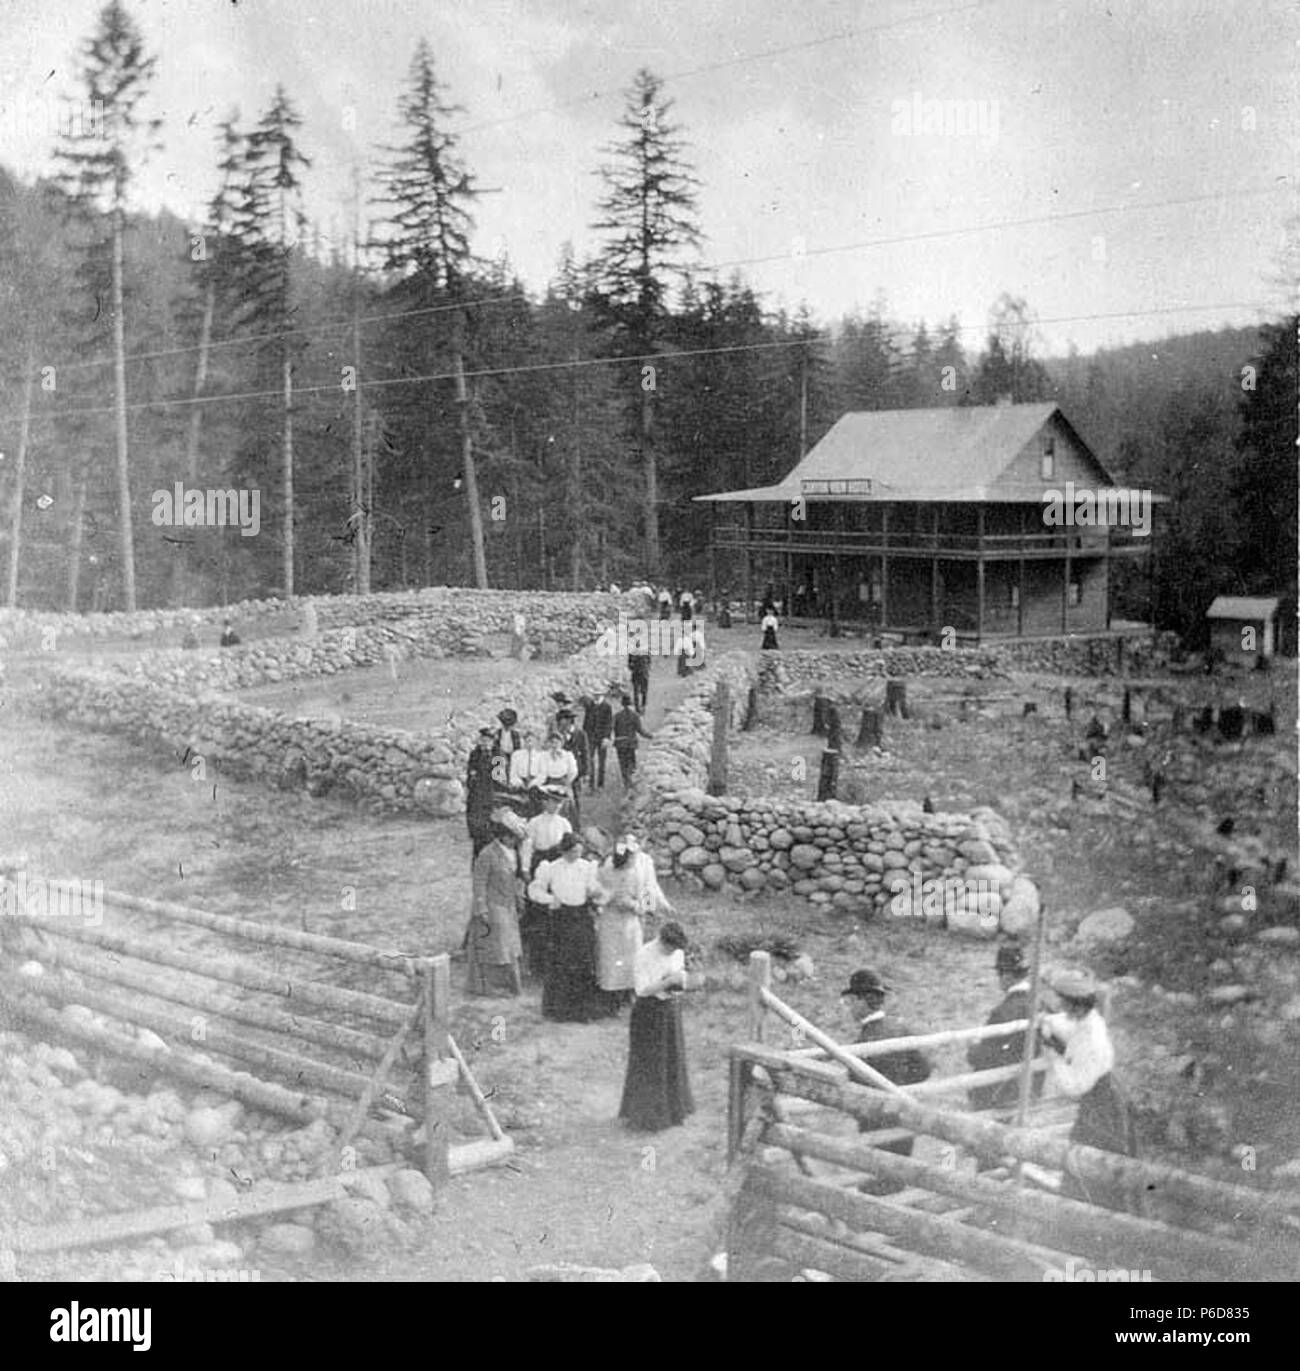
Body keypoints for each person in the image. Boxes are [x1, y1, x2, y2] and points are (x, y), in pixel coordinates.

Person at [1039, 968, 1141, 1211]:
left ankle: (1092, 1218)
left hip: (1101, 1106)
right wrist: (1047, 1023)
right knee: (1087, 1163)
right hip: (1100, 1100)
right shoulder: (1088, 1021)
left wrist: (1053, 1058)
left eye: (1066, 1004)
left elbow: (1075, 1086)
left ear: (1076, 1006)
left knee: (1094, 1163)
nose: (1062, 1009)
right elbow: (1067, 1026)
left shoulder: (1092, 1039)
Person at [841, 968, 932, 1196]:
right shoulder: (901, 1029)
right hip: (903, 1119)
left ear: (864, 1001)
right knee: (896, 1180)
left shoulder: (863, 1043)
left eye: (852, 1001)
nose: (850, 1007)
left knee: (877, 1182)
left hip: (876, 1125)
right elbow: (923, 1070)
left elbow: (855, 1088)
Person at [619, 920, 695, 1132]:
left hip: (670, 1010)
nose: (672, 952)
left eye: (675, 950)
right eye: (669, 948)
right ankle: (647, 1116)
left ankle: (672, 1111)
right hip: (648, 1012)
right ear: (661, 941)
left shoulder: (677, 953)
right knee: (650, 1062)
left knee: (672, 1058)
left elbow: (680, 978)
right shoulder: (644, 955)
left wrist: (680, 982)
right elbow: (642, 989)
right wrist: (668, 982)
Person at [528, 832, 607, 1022]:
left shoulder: (587, 867)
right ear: (563, 851)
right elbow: (534, 889)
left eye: (579, 852)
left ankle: (582, 1009)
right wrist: (549, 899)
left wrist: (596, 894)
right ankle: (559, 1009)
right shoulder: (551, 868)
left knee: (582, 962)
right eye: (572, 852)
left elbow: (595, 888)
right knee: (561, 962)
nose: (576, 855)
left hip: (581, 917)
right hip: (561, 918)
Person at [595, 835, 674, 1015]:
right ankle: (610, 997)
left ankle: (631, 993)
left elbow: (649, 886)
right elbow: (607, 891)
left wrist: (652, 907)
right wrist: (619, 902)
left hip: (633, 919)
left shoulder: (645, 861)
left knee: (633, 955)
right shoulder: (609, 866)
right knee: (612, 957)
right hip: (612, 918)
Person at [966, 943, 1045, 1117]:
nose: (999, 979)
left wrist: (972, 1049)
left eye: (999, 974)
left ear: (1007, 976)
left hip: (1001, 1095)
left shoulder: (1003, 1012)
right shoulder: (1041, 1004)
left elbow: (982, 1057)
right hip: (1031, 1089)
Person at [464, 813, 525, 996]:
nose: (514, 841)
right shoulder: (487, 854)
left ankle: (507, 985)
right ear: (504, 836)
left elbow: (516, 878)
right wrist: (481, 908)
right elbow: (479, 883)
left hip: (508, 904)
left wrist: (518, 897)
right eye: (511, 837)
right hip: (492, 905)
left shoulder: (514, 853)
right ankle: (490, 986)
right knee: (496, 945)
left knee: (508, 945)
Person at [518, 788, 572, 980]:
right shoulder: (534, 823)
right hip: (539, 865)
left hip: (557, 869)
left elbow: (570, 849)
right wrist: (525, 869)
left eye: (560, 803)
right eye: (553, 802)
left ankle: (555, 962)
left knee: (557, 913)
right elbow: (527, 847)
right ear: (544, 802)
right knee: (537, 915)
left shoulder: (564, 824)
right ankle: (536, 963)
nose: (556, 806)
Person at [464, 727, 498, 858]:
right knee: (476, 828)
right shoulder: (475, 754)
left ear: (493, 742)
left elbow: (499, 779)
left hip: (491, 794)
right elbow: (471, 774)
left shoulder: (497, 755)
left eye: (487, 740)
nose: (484, 743)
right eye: (482, 740)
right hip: (476, 795)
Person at [537, 732, 579, 823]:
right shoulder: (545, 756)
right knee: (545, 800)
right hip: (550, 782)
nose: (554, 745)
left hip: (564, 782)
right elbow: (543, 773)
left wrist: (567, 783)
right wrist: (539, 784)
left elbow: (573, 772)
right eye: (552, 742)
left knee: (568, 801)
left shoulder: (567, 755)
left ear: (561, 743)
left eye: (557, 742)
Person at [613, 695, 652, 789]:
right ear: (631, 704)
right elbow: (640, 730)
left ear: (622, 704)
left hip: (620, 744)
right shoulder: (634, 716)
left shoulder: (617, 716)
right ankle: (632, 782)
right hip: (631, 744)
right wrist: (651, 736)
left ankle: (626, 782)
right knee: (631, 763)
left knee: (623, 764)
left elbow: (611, 728)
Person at [583, 687, 616, 791]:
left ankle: (600, 785)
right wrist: (585, 735)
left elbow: (609, 723)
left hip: (602, 738)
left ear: (602, 696)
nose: (596, 697)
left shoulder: (607, 707)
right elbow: (586, 722)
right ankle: (591, 785)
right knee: (590, 760)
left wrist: (607, 737)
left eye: (598, 695)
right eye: (595, 695)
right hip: (591, 737)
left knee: (602, 762)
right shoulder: (590, 706)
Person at [556, 709, 590, 810]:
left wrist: (586, 773)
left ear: (569, 721)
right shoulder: (559, 735)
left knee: (576, 795)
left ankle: (576, 819)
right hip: (562, 770)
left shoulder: (580, 734)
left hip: (576, 770)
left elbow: (585, 753)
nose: (561, 724)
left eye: (562, 721)